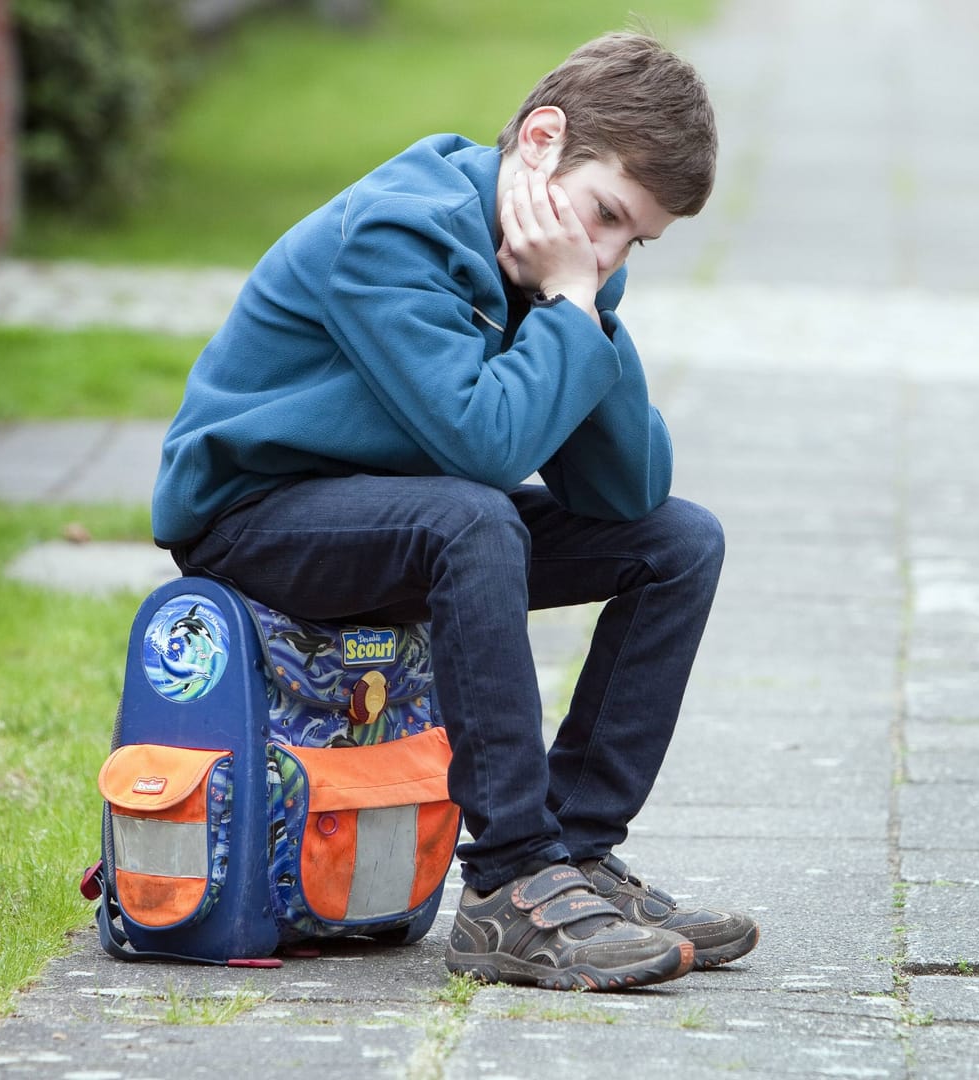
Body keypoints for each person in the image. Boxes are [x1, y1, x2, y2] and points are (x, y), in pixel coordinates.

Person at [150, 31, 756, 991]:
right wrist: (568, 308)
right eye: (604, 215)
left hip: (404, 515)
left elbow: (626, 492)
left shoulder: (569, 270)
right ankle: (513, 883)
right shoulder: (400, 229)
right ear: (540, 139)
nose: (604, 251)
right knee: (476, 518)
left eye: (632, 240)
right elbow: (481, 444)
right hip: (256, 515)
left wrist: (581, 305)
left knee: (679, 542)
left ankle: (579, 858)